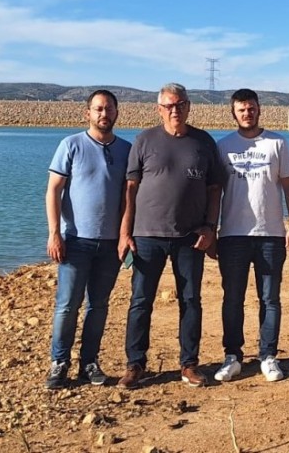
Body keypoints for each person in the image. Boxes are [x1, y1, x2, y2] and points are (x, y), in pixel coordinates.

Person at [117, 82, 225, 389]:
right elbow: (130, 189)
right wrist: (125, 232)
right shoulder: (144, 141)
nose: (174, 110)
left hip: (190, 237)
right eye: (168, 106)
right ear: (159, 109)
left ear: (189, 106)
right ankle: (135, 365)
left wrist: (210, 227)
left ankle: (189, 364)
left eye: (180, 105)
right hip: (147, 235)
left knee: (191, 300)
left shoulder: (203, 142)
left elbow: (215, 188)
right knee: (141, 301)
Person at [212, 88, 289, 383]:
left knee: (270, 298)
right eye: (241, 109)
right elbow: (215, 192)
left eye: (251, 108)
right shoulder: (223, 146)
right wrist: (212, 230)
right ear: (233, 113)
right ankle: (232, 357)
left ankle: (269, 356)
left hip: (270, 235)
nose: (246, 113)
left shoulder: (277, 143)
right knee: (232, 298)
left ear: (259, 109)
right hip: (232, 236)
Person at [44, 89, 132, 390]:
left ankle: (89, 362)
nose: (103, 114)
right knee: (67, 305)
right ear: (88, 113)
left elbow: (128, 198)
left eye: (108, 109)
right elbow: (53, 190)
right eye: (98, 109)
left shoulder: (126, 150)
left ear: (117, 113)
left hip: (109, 244)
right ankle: (59, 363)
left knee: (99, 305)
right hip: (76, 241)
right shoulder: (71, 145)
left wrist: (125, 235)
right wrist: (54, 233)